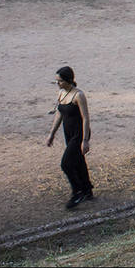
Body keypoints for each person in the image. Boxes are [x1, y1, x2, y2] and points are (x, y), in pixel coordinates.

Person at [46, 66, 94, 209]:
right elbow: (59, 114)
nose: (58, 84)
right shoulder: (61, 93)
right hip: (68, 133)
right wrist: (52, 134)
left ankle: (77, 191)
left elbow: (86, 118)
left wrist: (85, 140)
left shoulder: (79, 95)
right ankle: (87, 190)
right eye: (56, 81)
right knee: (78, 161)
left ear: (68, 80)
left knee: (66, 163)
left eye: (60, 81)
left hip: (79, 134)